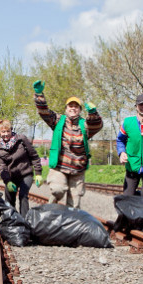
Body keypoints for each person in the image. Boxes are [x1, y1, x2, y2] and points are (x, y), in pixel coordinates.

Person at [32, 80, 102, 209]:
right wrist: (39, 94)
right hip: (59, 167)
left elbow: (97, 125)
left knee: (74, 204)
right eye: (70, 106)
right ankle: (50, 210)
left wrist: (93, 113)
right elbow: (44, 112)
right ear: (66, 109)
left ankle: (70, 225)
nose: (73, 108)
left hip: (78, 169)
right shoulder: (58, 120)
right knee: (57, 190)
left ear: (80, 110)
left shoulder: (84, 124)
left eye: (76, 106)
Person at [0, 119, 43, 216]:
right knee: (9, 199)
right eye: (3, 132)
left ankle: (24, 221)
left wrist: (38, 173)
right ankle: (11, 220)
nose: (6, 134)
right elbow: (2, 167)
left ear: (11, 130)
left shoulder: (21, 139)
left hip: (26, 173)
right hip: (11, 177)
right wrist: (7, 181)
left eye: (8, 131)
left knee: (23, 196)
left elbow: (34, 155)